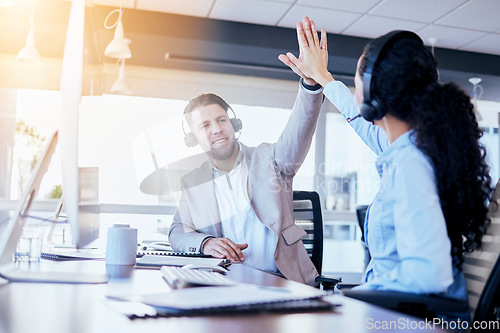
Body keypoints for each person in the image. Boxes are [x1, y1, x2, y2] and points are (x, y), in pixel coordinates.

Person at [279, 17, 492, 312]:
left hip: (402, 318)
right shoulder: (416, 146)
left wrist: (351, 298)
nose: (356, 95)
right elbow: (361, 124)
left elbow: (430, 276)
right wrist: (324, 79)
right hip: (395, 310)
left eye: (356, 84)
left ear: (372, 95)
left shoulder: (410, 162)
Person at [168, 70, 324, 286]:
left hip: (283, 281)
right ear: (193, 138)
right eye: (205, 125)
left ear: (234, 124)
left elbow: (300, 130)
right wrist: (205, 243)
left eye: (221, 120)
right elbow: (177, 232)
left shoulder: (271, 159)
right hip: (226, 282)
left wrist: (310, 87)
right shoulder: (192, 182)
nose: (217, 129)